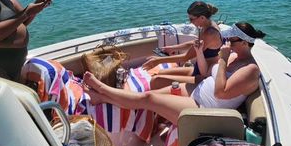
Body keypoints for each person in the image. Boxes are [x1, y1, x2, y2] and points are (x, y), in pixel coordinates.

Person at [83, 22, 266, 125]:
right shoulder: (233, 56)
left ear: (244, 42)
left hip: (205, 107)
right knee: (144, 95)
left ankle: (101, 89)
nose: (226, 41)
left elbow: (220, 92)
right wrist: (201, 52)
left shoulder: (250, 69)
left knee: (148, 99)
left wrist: (223, 60)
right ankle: (103, 98)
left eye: (231, 39)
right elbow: (205, 73)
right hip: (197, 90)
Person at [142, 1, 223, 88]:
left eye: (192, 19)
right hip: (197, 69)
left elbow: (186, 57)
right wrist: (173, 48)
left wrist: (158, 60)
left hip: (203, 77)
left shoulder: (209, 33)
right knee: (160, 73)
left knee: (155, 81)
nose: (190, 22)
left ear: (202, 18)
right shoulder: (208, 25)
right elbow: (195, 43)